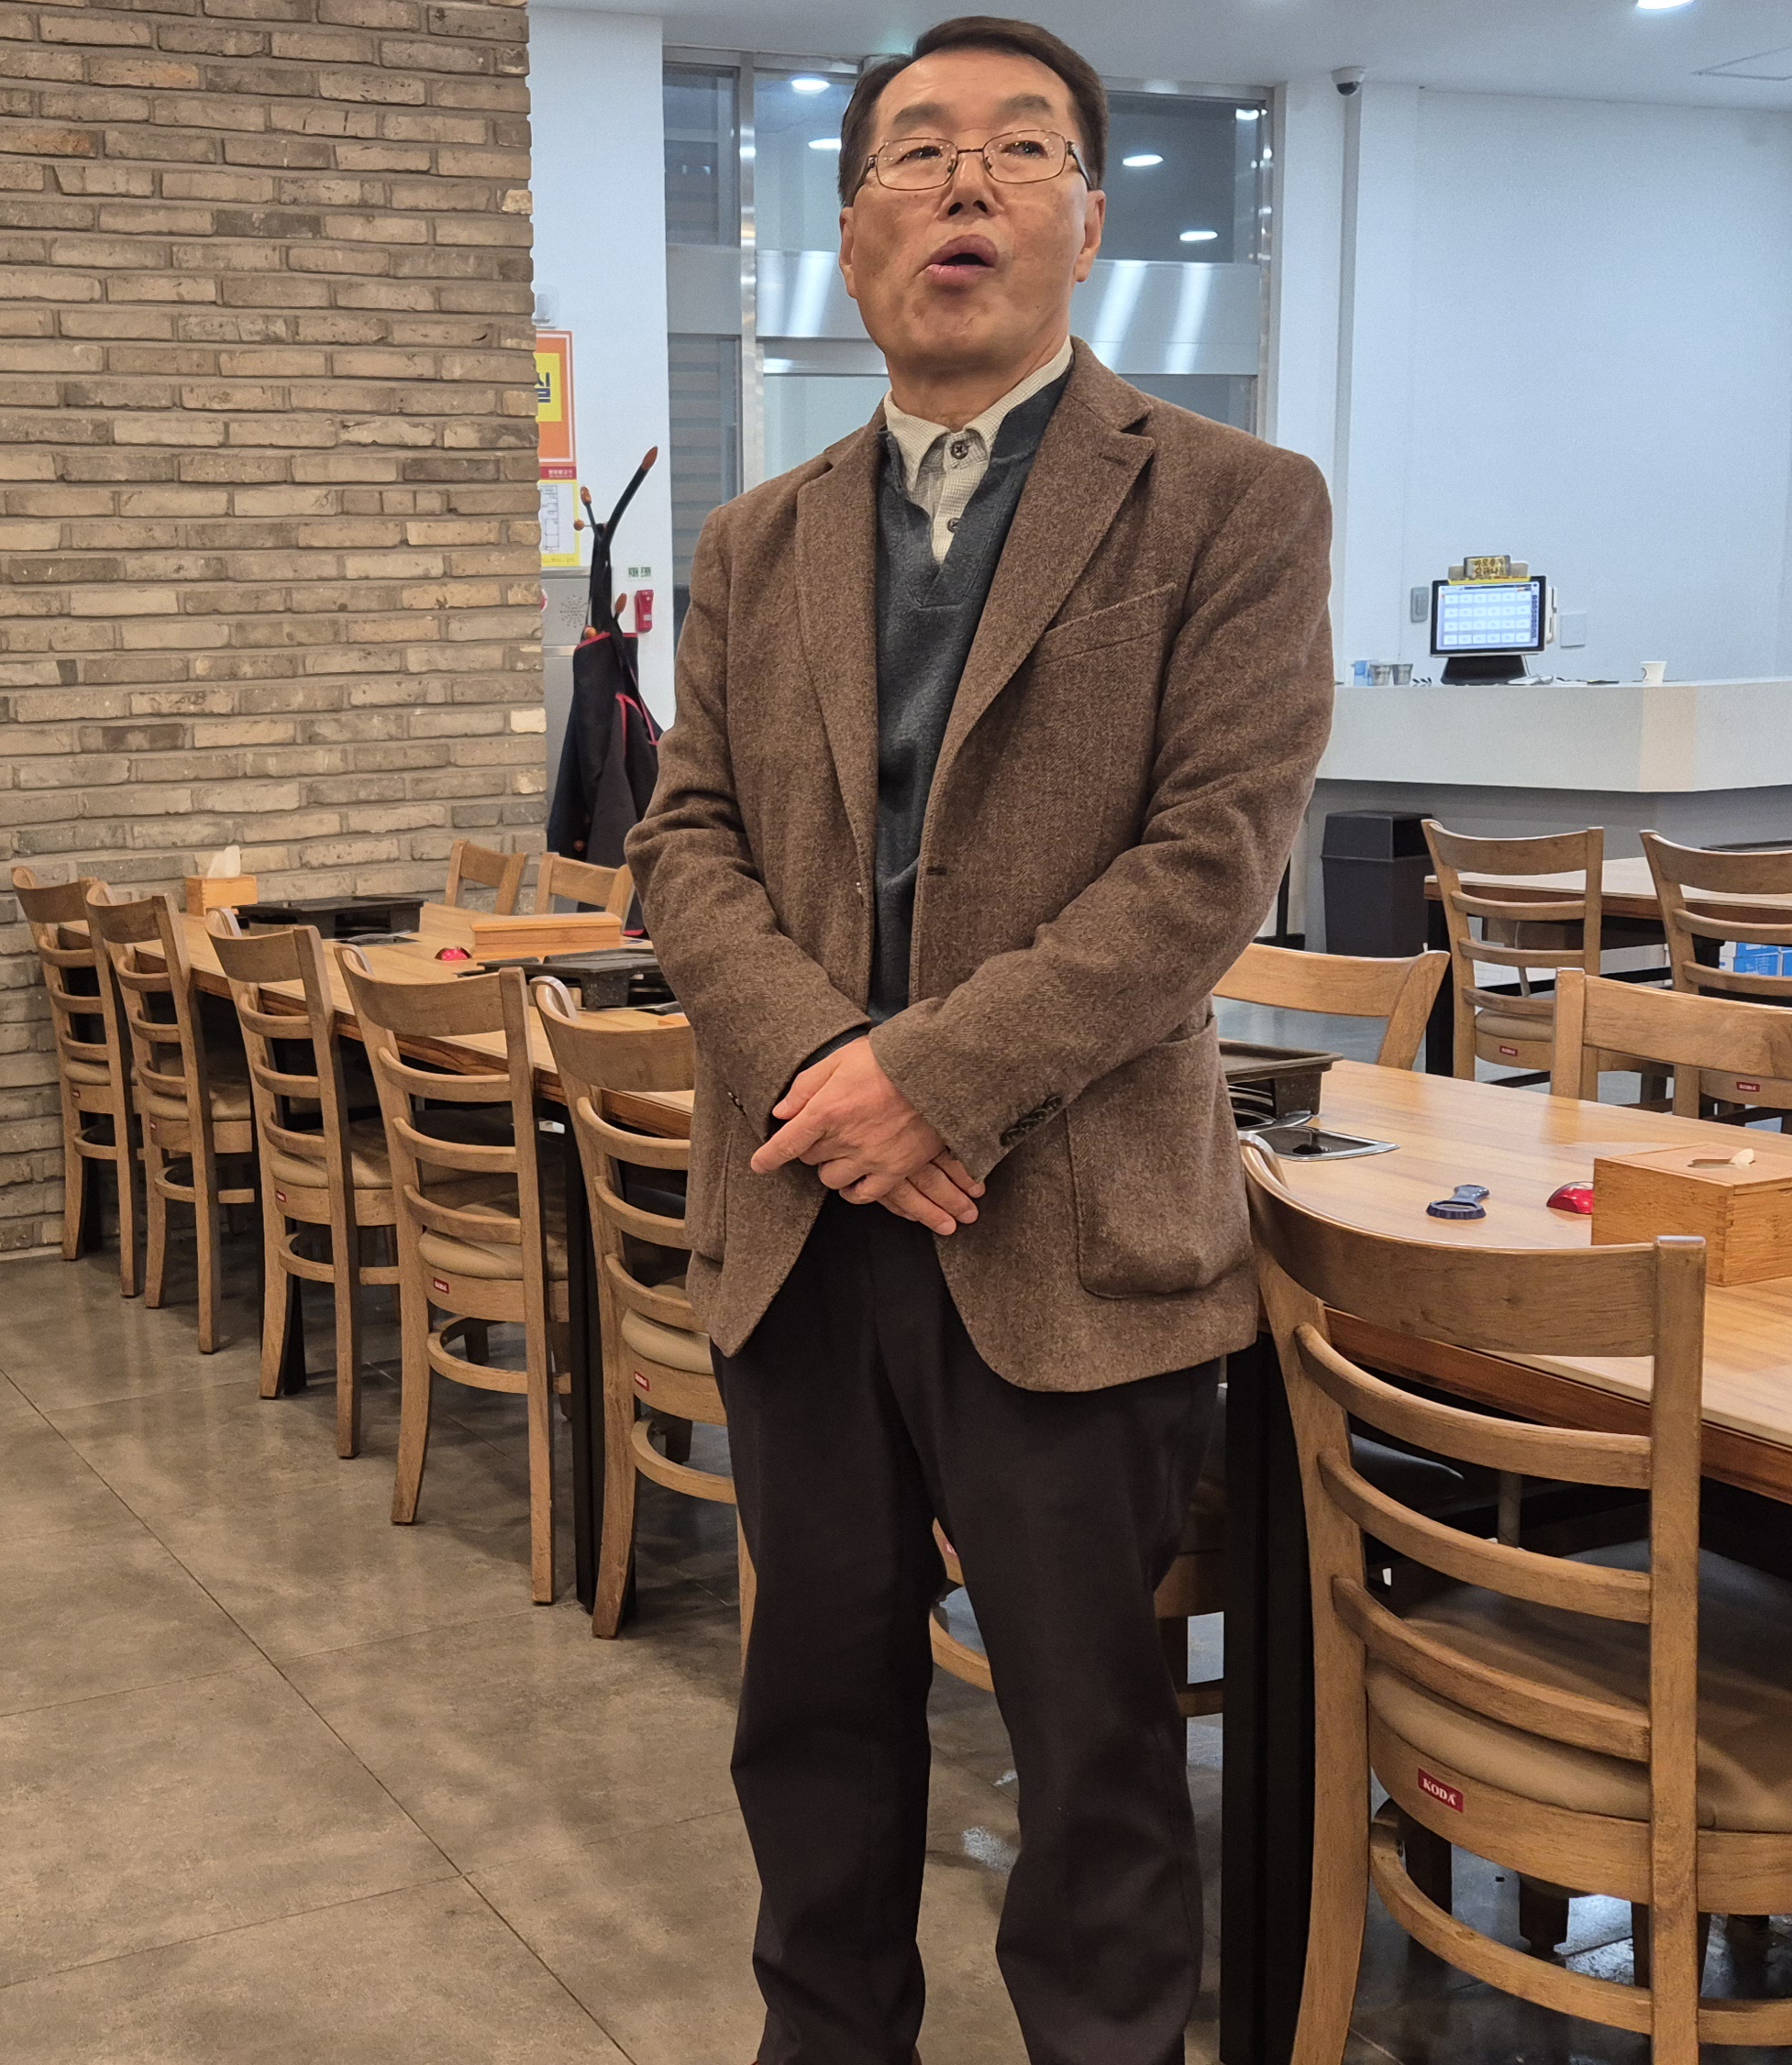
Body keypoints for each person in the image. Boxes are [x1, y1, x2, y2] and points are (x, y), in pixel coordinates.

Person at [624, 18, 1332, 2064]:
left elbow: (1211, 858)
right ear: (851, 231)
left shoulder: (1231, 503)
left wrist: (929, 1081)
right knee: (812, 1733)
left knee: (1094, 1757)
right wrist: (831, 1075)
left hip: (1075, 1233)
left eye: (1024, 149)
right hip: (800, 1227)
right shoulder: (758, 539)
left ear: (1089, 222)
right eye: (917, 150)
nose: (966, 181)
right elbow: (684, 843)